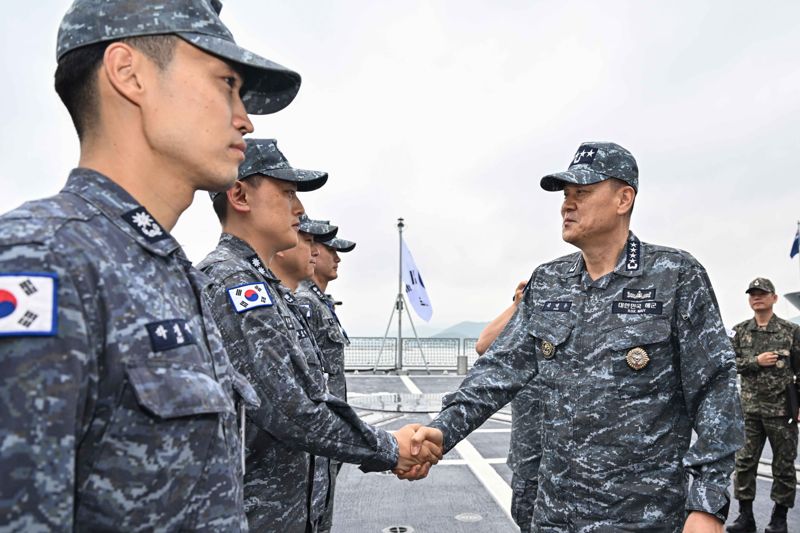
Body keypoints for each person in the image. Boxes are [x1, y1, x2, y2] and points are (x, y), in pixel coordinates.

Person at [0, 1, 300, 530]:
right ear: (128, 74)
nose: (244, 118)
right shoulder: (41, 260)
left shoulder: (165, 268)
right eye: (225, 83)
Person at [404, 142, 744, 532]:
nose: (567, 205)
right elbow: (497, 371)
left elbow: (717, 392)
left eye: (582, 193)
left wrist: (706, 505)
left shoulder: (675, 275)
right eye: (565, 196)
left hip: (644, 518)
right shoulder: (549, 281)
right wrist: (442, 429)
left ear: (623, 199)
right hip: (556, 516)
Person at [199, 138, 441, 532]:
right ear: (240, 195)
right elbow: (290, 408)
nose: (300, 209)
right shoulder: (232, 283)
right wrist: (390, 448)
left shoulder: (267, 288)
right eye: (287, 193)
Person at [296, 229, 357, 533]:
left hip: (329, 432)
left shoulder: (321, 303)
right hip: (317, 434)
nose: (337, 258)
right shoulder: (304, 303)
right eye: (330, 250)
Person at [728, 278, 800, 533]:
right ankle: (745, 517)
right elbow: (729, 365)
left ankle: (778, 519)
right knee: (745, 463)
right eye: (753, 294)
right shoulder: (740, 331)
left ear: (774, 298)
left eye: (762, 293)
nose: (757, 297)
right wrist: (755, 361)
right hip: (749, 411)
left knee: (783, 466)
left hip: (782, 412)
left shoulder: (790, 331)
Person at [476, 281, 541, 533]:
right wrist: (518, 305)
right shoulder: (523, 331)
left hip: (572, 468)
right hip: (530, 463)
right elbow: (484, 346)